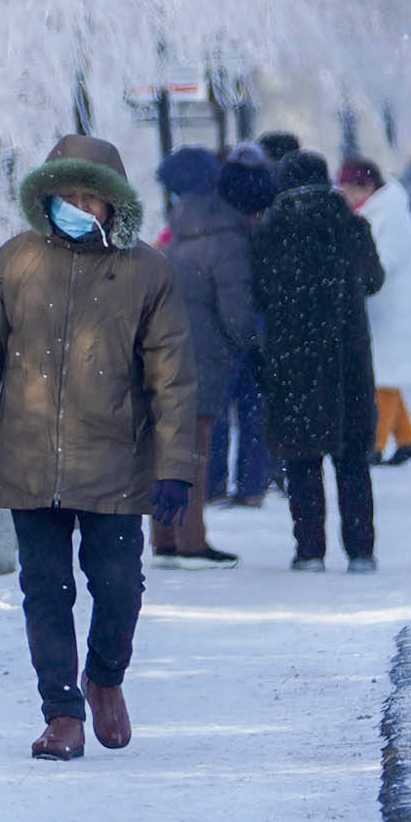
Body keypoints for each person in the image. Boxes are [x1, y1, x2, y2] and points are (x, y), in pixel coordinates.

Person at [0, 133, 201, 760]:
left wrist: (174, 468)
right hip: (31, 462)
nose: (80, 205)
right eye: (68, 192)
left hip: (114, 461)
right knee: (46, 590)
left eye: (93, 195)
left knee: (119, 588)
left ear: (114, 203)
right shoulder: (17, 261)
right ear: (48, 195)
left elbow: (173, 378)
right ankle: (62, 712)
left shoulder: (146, 271)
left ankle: (104, 678)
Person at [248, 147, 382, 571]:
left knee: (302, 460)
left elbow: (259, 292)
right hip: (347, 359)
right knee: (352, 460)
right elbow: (374, 280)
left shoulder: (270, 232)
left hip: (294, 362)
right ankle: (360, 550)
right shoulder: (351, 226)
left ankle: (310, 550)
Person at [151, 146, 252, 564]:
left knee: (170, 444)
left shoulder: (175, 234)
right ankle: (191, 538)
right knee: (196, 444)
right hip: (206, 351)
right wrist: (245, 341)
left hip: (166, 348)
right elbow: (236, 308)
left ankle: (164, 535)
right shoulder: (225, 237)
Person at [205, 148, 283, 506]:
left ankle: (214, 482)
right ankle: (252, 484)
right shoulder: (268, 222)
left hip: (220, 329)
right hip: (259, 326)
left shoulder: (216, 224)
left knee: (219, 410)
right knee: (255, 410)